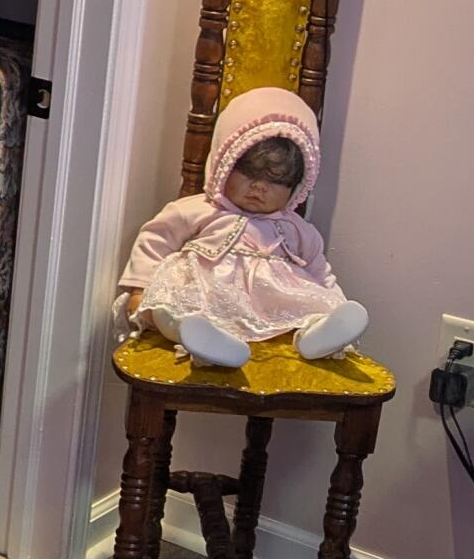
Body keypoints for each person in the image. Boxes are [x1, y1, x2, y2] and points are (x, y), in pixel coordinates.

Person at [117, 86, 368, 369]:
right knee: (170, 307)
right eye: (249, 173)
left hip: (274, 303)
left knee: (311, 309)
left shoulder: (296, 229)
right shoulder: (200, 210)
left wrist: (336, 305)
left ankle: (317, 336)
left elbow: (319, 271)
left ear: (297, 186)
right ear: (224, 163)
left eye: (276, 180)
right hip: (207, 295)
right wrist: (139, 289)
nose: (259, 187)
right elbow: (156, 240)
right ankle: (198, 338)